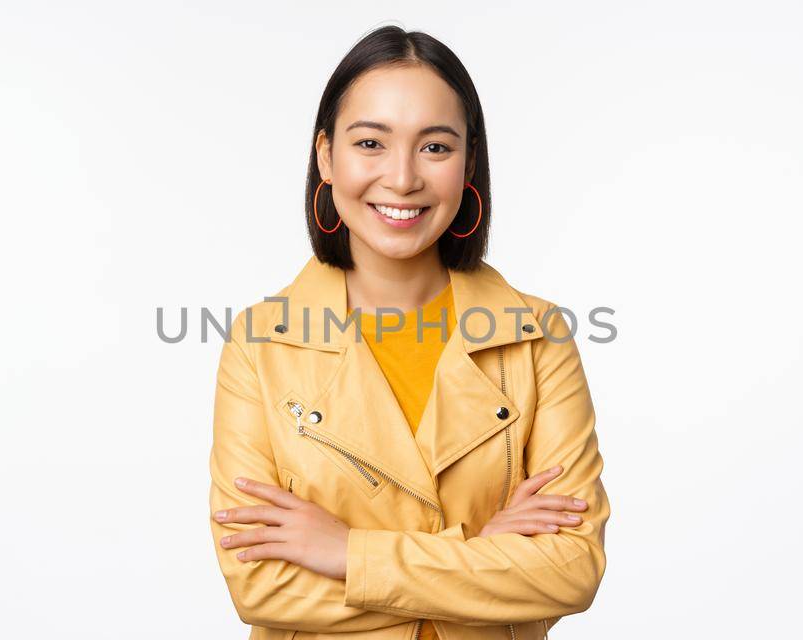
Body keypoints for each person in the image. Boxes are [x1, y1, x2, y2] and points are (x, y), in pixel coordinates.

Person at [207, 25, 609, 640]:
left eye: (435, 148)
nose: (401, 178)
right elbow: (260, 586)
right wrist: (481, 553)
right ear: (325, 156)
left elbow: (570, 570)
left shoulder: (538, 338)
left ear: (468, 160)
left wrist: (346, 553)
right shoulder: (260, 343)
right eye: (370, 142)